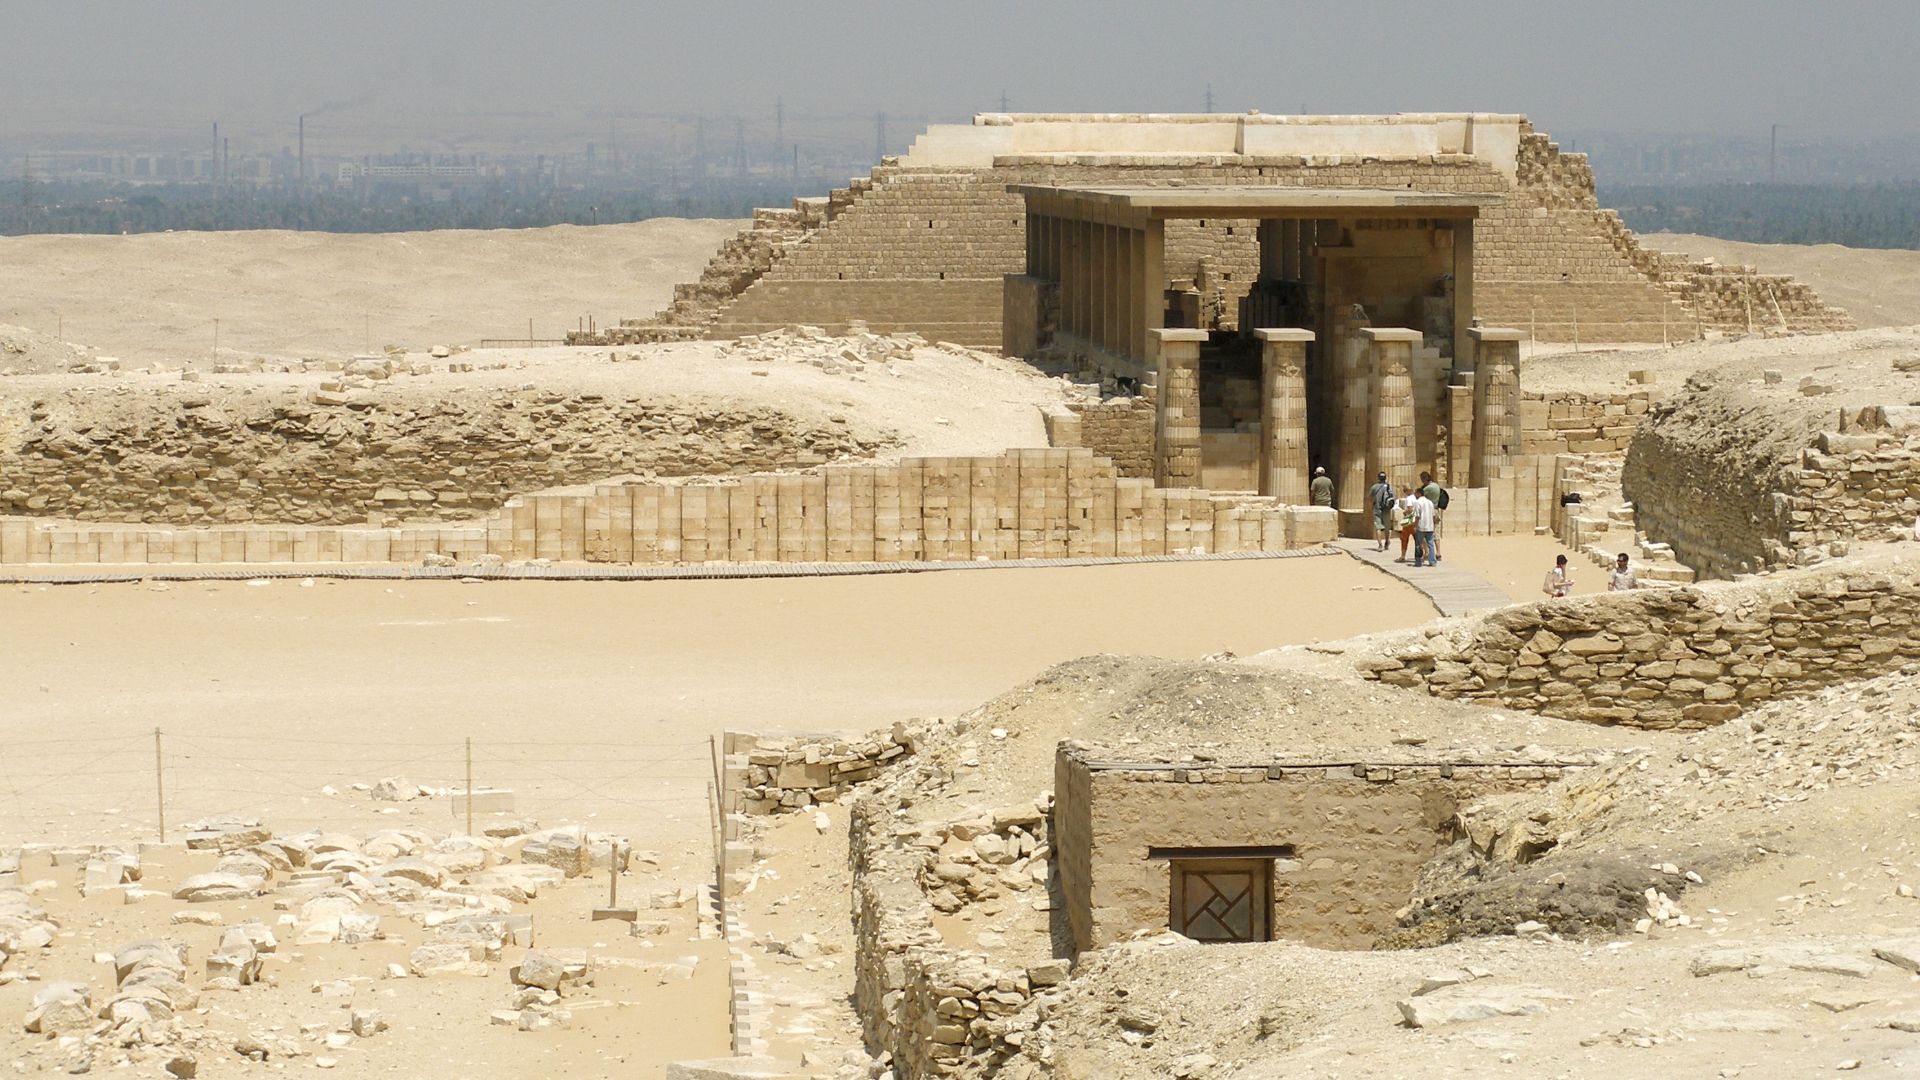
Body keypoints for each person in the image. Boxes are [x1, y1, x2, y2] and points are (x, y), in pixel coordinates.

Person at [1419, 472, 1446, 563]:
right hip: (1436, 510)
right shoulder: (1436, 486)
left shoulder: (1427, 488)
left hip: (1428, 512)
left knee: (1425, 533)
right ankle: (1438, 553)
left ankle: (1427, 553)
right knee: (1436, 533)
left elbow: (1419, 496)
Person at [1366, 472, 1396, 552]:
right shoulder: (1389, 487)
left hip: (1377, 509)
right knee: (1387, 527)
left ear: (1378, 478)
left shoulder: (1374, 487)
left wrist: (1371, 506)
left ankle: (1380, 545)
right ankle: (1387, 541)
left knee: (1378, 527)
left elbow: (1370, 498)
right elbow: (1393, 497)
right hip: (1386, 509)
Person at [1408, 485, 1437, 567]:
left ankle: (1418, 562)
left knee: (1418, 544)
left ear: (1419, 494)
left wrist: (1415, 525)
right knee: (1430, 544)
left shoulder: (1418, 502)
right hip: (1429, 526)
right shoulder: (1430, 502)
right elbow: (1433, 515)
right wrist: (1433, 525)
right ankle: (1432, 561)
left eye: (1415, 494)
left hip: (1421, 525)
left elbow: (1417, 515)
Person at [1395, 486, 1418, 562]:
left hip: (1409, 520)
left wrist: (1405, 512)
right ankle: (1424, 553)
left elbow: (1410, 509)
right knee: (1417, 539)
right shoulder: (1415, 497)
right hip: (1416, 520)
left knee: (1404, 538)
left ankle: (1403, 556)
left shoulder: (1409, 499)